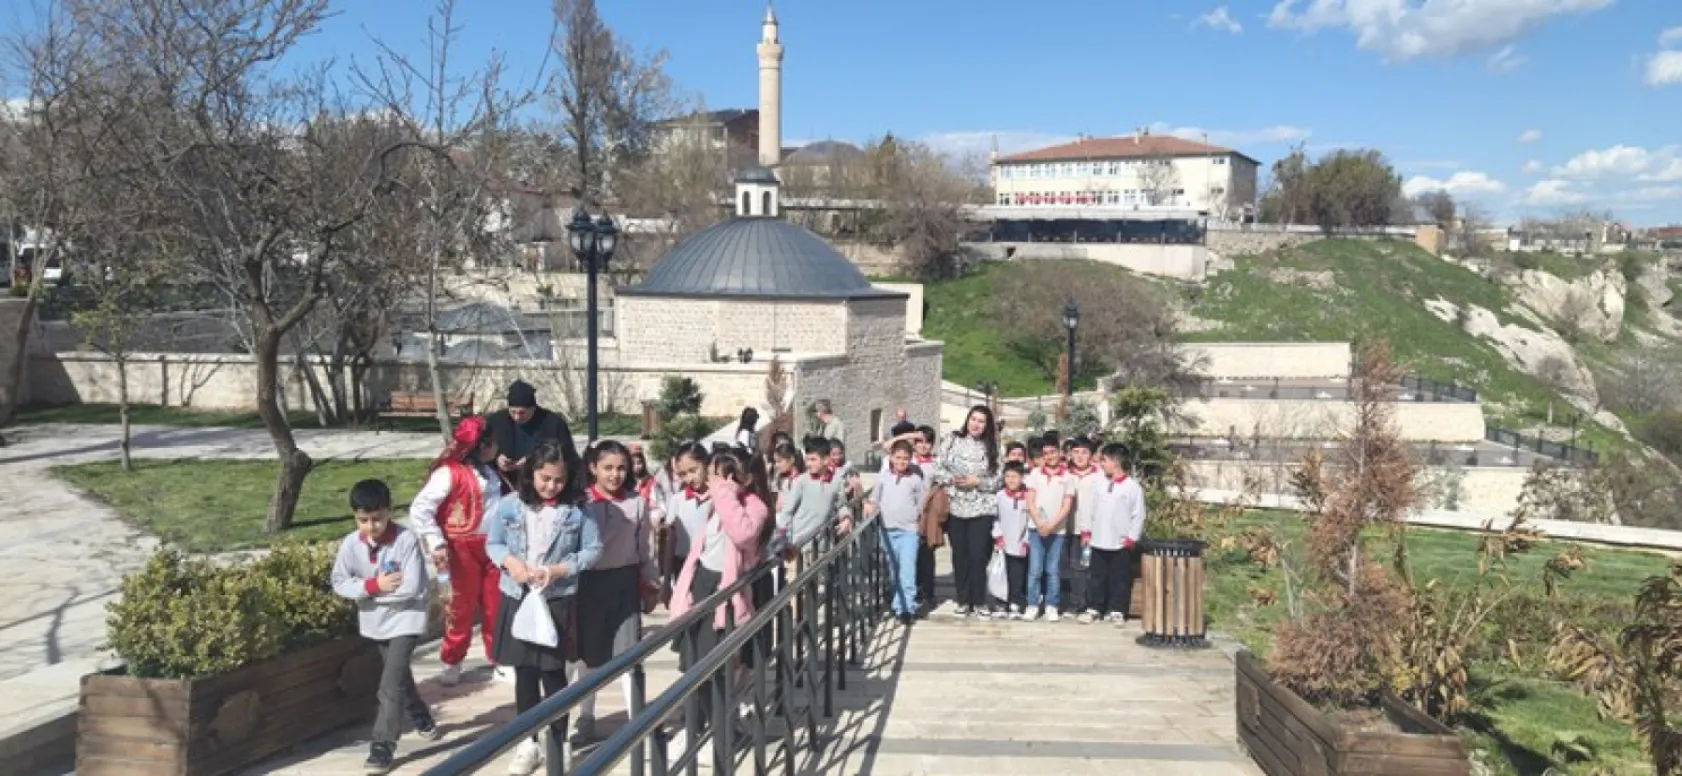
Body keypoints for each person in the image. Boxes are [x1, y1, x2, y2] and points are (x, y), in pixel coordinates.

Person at [485, 444, 601, 775]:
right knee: (524, 672)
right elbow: (494, 543)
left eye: (558, 480)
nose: (551, 486)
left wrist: (559, 570)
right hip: (518, 595)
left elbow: (593, 548)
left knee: (553, 672)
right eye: (545, 478)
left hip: (556, 597)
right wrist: (511, 563)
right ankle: (527, 740)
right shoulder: (510, 505)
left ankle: (557, 739)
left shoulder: (577, 510)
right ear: (531, 473)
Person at [330, 480, 439, 775]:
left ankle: (382, 745)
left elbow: (411, 587)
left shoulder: (405, 540)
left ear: (389, 511)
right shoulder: (351, 544)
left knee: (389, 685)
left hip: (406, 618)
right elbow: (340, 581)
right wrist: (372, 586)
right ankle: (419, 713)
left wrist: (369, 593)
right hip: (376, 622)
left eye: (377, 519)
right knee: (399, 674)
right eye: (363, 520)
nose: (371, 526)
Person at [666, 449, 771, 753]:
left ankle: (722, 736)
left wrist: (725, 493)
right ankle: (699, 729)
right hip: (702, 587)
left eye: (720, 477)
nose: (713, 482)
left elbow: (744, 536)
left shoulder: (754, 506)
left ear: (743, 479)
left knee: (714, 670)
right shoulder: (717, 504)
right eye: (713, 476)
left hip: (724, 594)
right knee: (694, 665)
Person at [572, 440, 661, 742]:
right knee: (586, 656)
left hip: (624, 582)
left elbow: (646, 547)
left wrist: (652, 581)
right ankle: (586, 717)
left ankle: (637, 719)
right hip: (588, 583)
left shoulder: (636, 503)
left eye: (621, 468)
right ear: (593, 468)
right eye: (607, 468)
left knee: (629, 653)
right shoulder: (581, 503)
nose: (615, 475)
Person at [410, 415, 506, 685]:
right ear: (483, 445)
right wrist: (436, 541)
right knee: (459, 606)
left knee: (495, 605)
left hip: (492, 546)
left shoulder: (491, 472)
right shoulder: (448, 474)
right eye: (494, 442)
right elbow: (420, 509)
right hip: (459, 549)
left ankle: (499, 658)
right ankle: (452, 660)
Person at [933, 405, 1002, 618]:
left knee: (978, 555)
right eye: (973, 419)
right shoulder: (952, 440)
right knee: (960, 555)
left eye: (981, 421)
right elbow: (937, 468)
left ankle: (979, 600)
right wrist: (951, 479)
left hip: (982, 508)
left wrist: (977, 482)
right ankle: (963, 600)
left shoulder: (993, 447)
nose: (976, 424)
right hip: (956, 507)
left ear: (987, 425)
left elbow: (998, 479)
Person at [1080, 443, 1147, 624]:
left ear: (1116, 462)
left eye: (1105, 460)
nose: (1101, 464)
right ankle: (1094, 607)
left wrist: (1132, 537)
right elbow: (1089, 508)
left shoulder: (1132, 487)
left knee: (1119, 578)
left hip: (1120, 542)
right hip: (1098, 539)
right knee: (1096, 577)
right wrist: (1086, 530)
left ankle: (1117, 609)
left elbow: (1138, 515)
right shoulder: (1098, 484)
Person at [864, 440, 929, 624]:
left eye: (905, 459)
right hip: (887, 530)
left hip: (908, 530)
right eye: (898, 458)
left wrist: (917, 521)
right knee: (894, 569)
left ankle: (906, 608)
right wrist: (869, 506)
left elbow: (921, 503)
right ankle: (897, 601)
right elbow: (875, 499)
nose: (901, 462)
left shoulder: (915, 479)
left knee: (907, 569)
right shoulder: (883, 478)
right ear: (891, 458)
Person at [486, 380, 581, 491]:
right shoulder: (496, 421)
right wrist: (496, 457)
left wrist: (533, 461)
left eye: (522, 412)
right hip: (504, 482)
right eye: (513, 412)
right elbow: (484, 448)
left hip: (542, 483)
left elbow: (567, 454)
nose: (517, 417)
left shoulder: (553, 423)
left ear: (533, 408)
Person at [775, 437, 854, 555]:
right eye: (807, 460)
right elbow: (787, 511)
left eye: (813, 460)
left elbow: (841, 505)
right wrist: (783, 539)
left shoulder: (836, 481)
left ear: (826, 460)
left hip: (824, 546)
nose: (808, 464)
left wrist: (846, 518)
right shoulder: (801, 482)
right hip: (801, 547)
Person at [1024, 438, 1074, 622]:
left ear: (1059, 453)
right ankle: (1032, 604)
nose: (1049, 456)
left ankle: (1052, 605)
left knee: (1053, 570)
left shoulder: (1067, 477)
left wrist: (1052, 525)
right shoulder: (1035, 473)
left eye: (1053, 452)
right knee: (1035, 570)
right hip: (1036, 529)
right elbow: (1030, 501)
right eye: (1045, 454)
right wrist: (1039, 523)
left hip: (1057, 531)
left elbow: (1066, 506)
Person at [661, 443, 714, 596]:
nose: (689, 478)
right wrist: (666, 582)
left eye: (693, 470)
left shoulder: (720, 498)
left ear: (706, 464)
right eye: (683, 474)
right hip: (682, 567)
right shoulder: (677, 501)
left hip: (710, 568)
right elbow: (671, 542)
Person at [1063, 437, 1104, 616]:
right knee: (1073, 568)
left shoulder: (1099, 475)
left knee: (1088, 568)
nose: (1080, 456)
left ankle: (1088, 603)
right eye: (1076, 452)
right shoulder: (1066, 474)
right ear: (1070, 454)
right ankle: (1074, 602)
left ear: (1091, 455)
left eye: (1084, 452)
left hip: (1091, 530)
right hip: (1069, 528)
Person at [993, 462, 1032, 618]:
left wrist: (1027, 541)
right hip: (1002, 542)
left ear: (1022, 478)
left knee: (1017, 574)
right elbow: (995, 518)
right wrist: (998, 535)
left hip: (1020, 542)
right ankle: (1000, 602)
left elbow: (1031, 520)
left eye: (1014, 476)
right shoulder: (999, 496)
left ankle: (1015, 602)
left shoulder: (1028, 497)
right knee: (1001, 574)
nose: (1011, 480)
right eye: (1007, 476)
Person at [911, 425, 939, 608]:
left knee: (926, 554)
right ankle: (912, 590)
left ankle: (928, 591)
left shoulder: (935, 465)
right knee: (910, 555)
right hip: (908, 514)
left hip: (927, 515)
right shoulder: (906, 460)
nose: (923, 445)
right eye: (919, 441)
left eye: (927, 442)